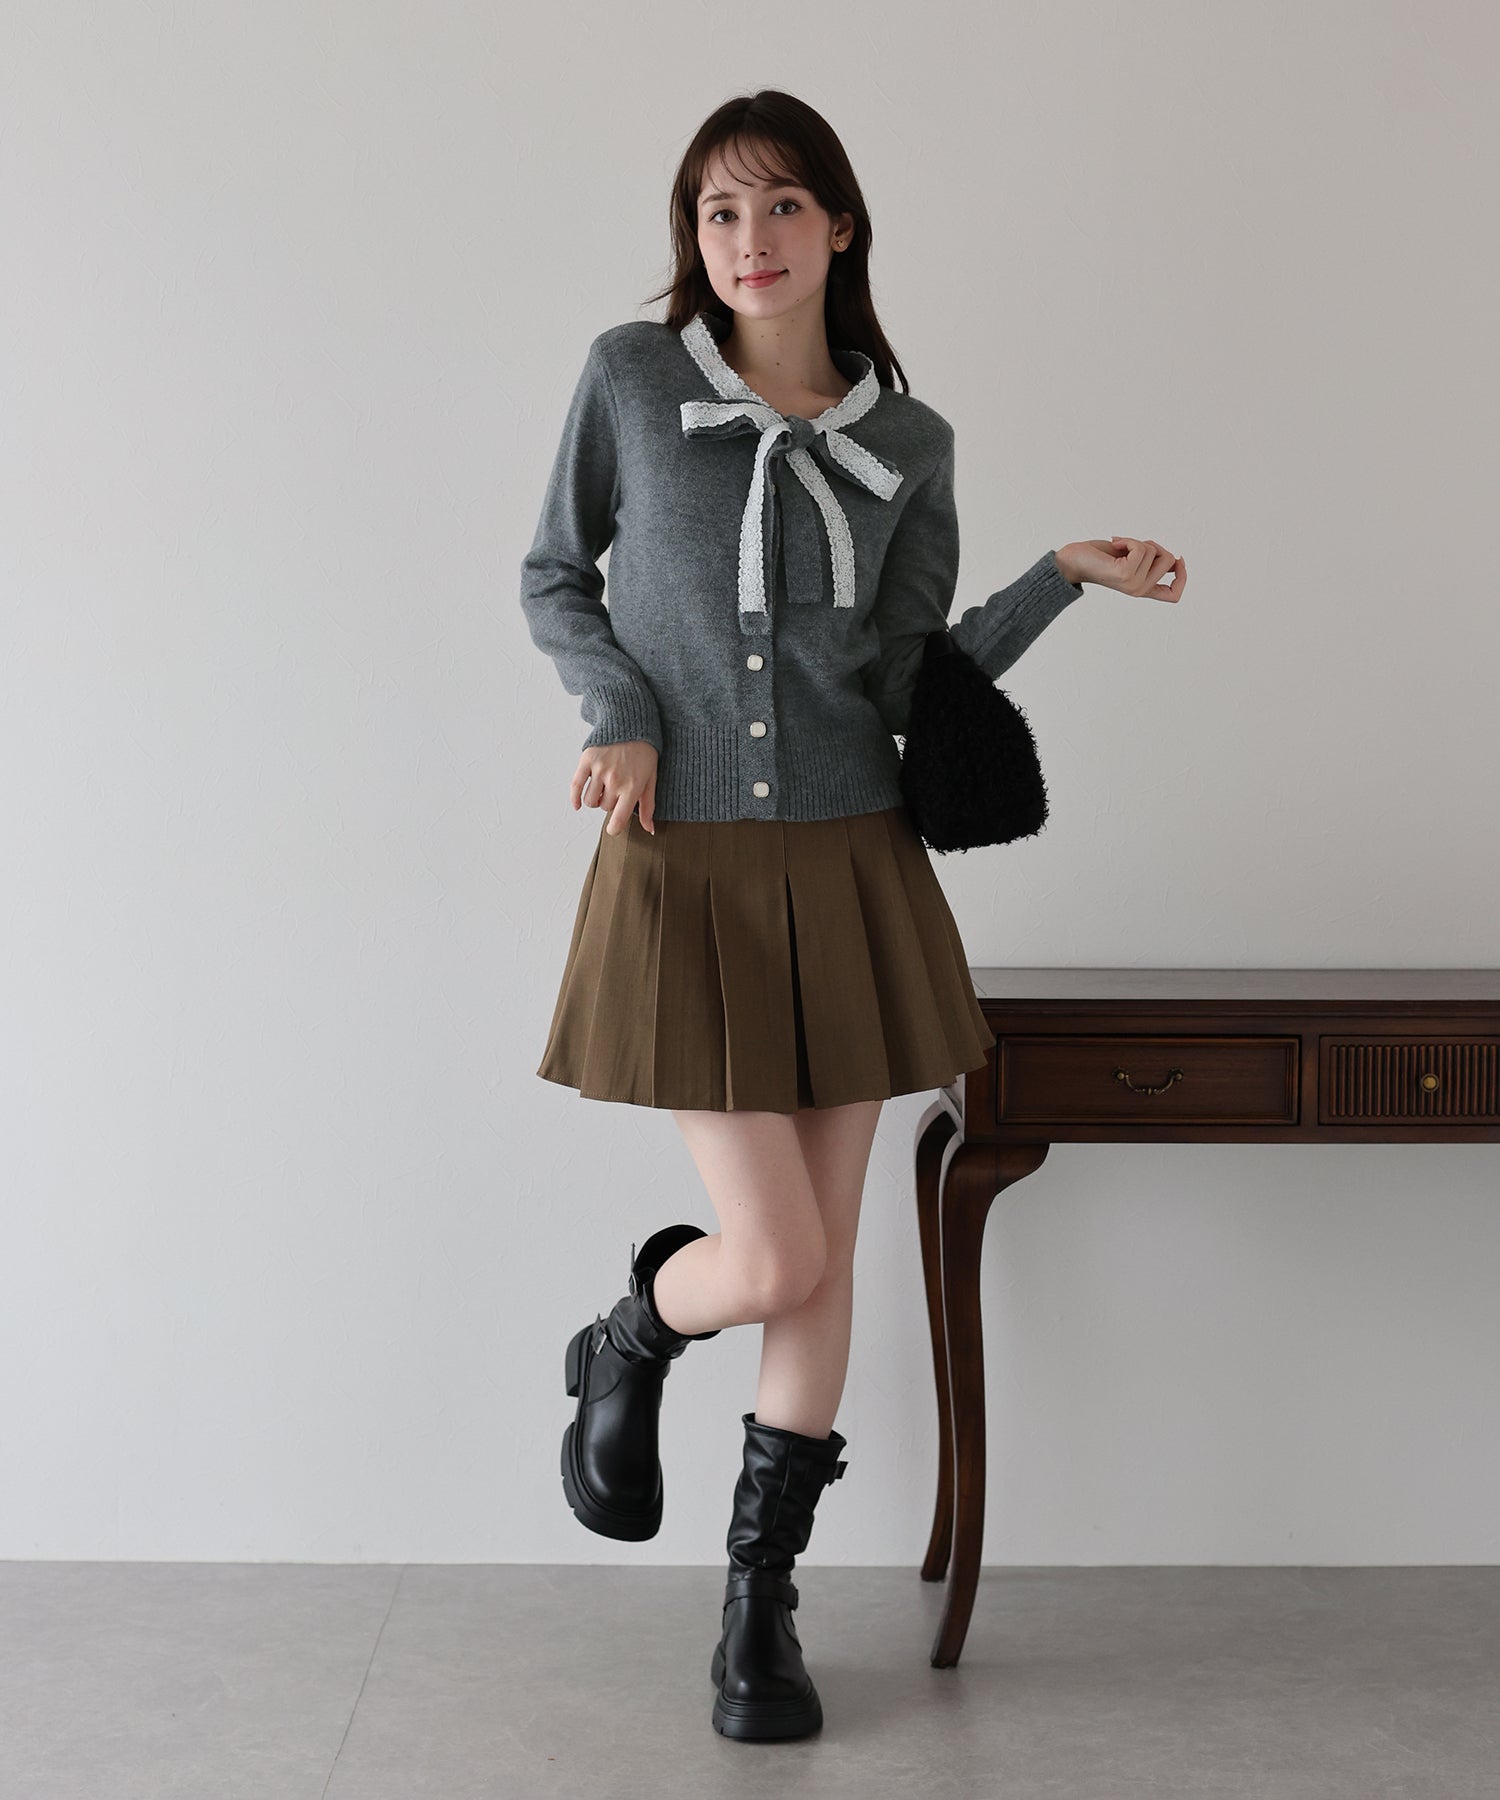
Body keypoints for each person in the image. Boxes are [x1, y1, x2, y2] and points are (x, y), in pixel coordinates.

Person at [520, 90, 1186, 1743]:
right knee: (774, 1254)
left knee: (818, 1269)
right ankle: (629, 1335)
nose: (748, 241)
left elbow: (906, 678)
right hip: (683, 862)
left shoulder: (912, 444)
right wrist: (619, 710)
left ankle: (759, 1612)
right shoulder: (632, 378)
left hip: (853, 867)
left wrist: (1057, 579)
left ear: (839, 226)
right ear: (694, 237)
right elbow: (554, 576)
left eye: (780, 207)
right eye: (718, 212)